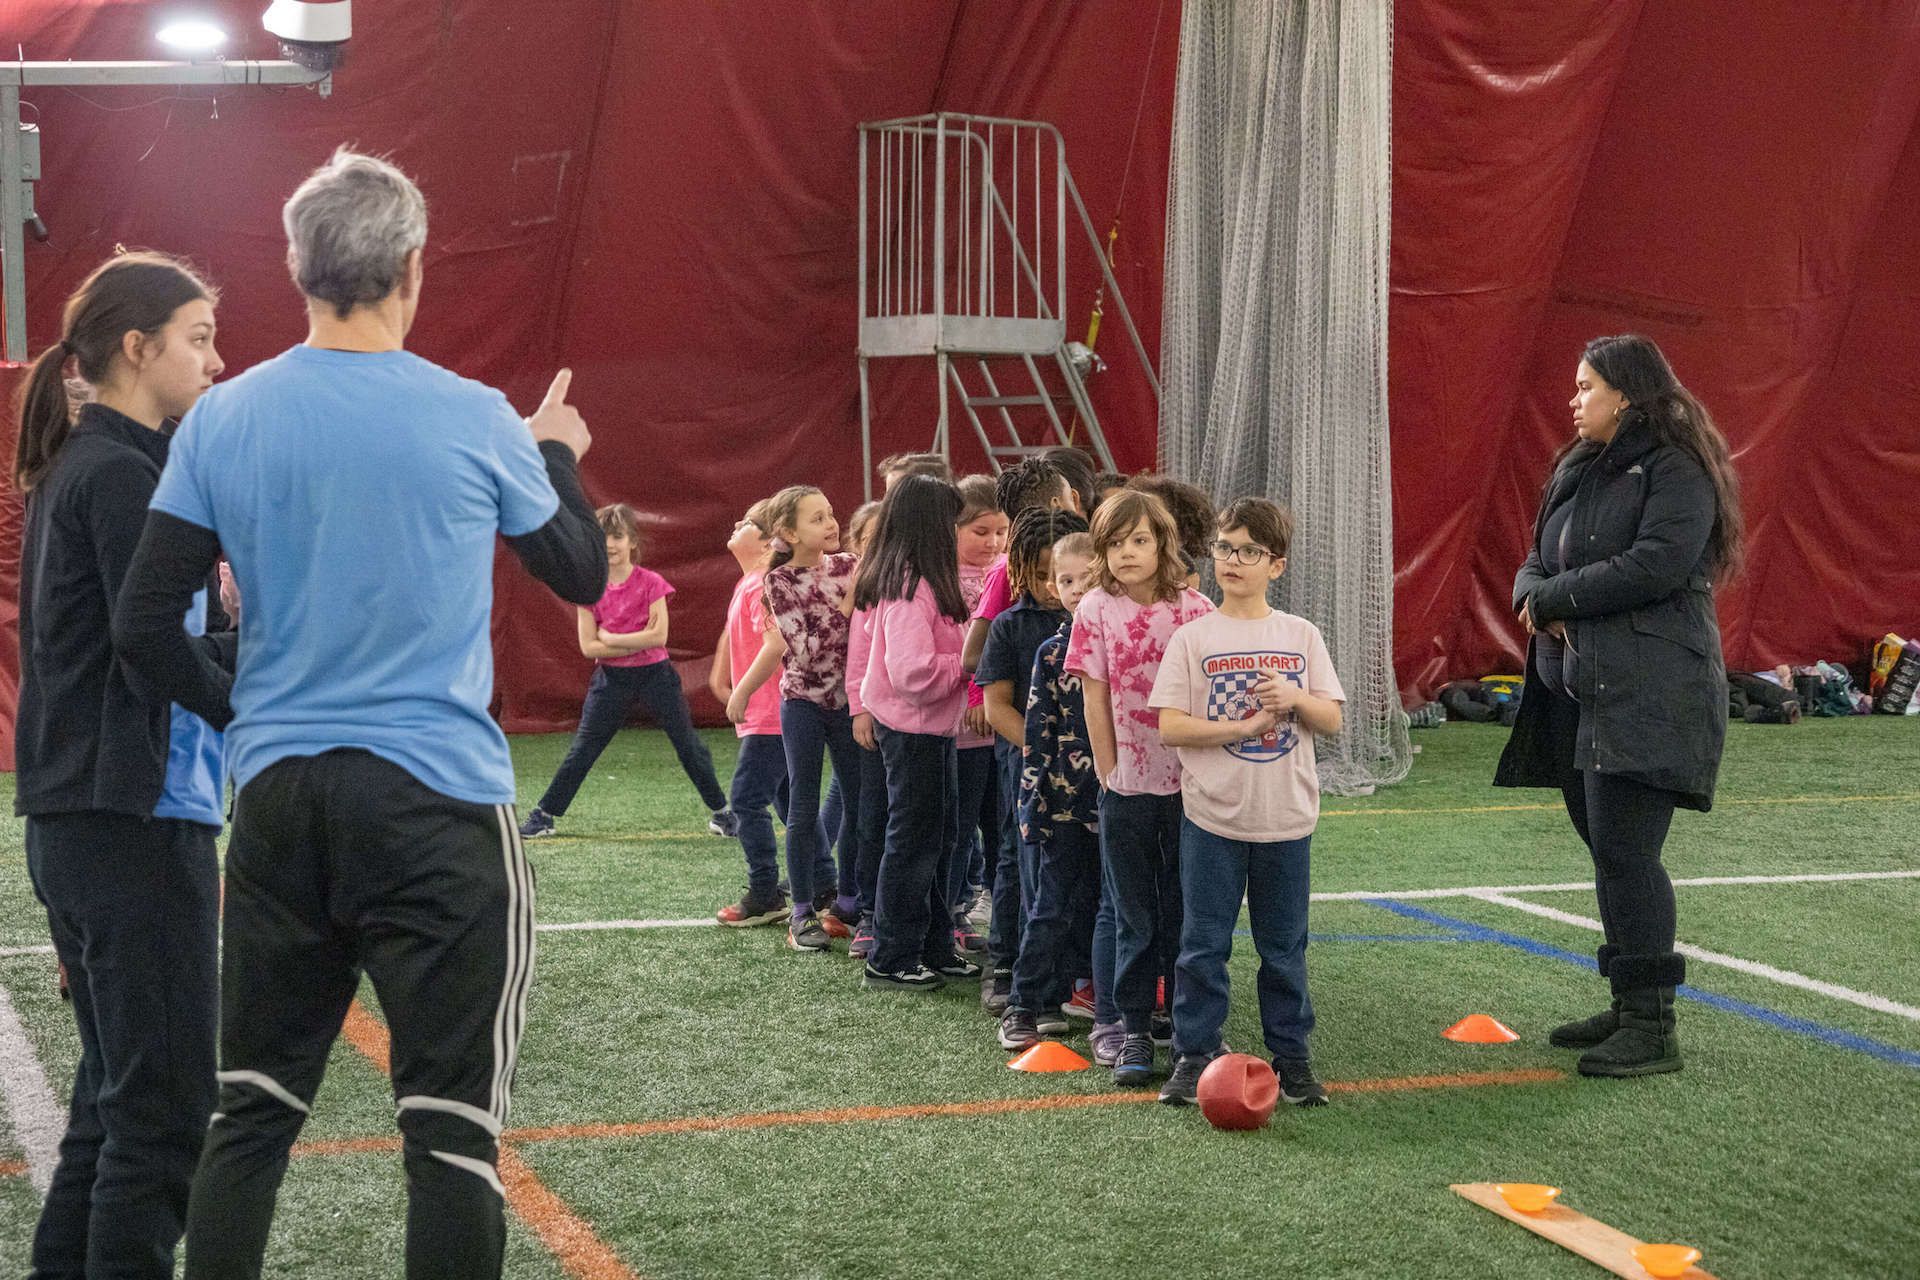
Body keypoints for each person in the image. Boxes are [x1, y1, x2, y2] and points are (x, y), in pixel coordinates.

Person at [111, 148, 606, 1279]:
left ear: (298, 267)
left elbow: (144, 625)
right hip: (437, 806)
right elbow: (580, 570)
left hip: (283, 802)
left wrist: (260, 712)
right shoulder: (477, 418)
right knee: (450, 1135)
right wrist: (557, 453)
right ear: (413, 270)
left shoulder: (225, 418)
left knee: (252, 1116)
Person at [13, 250, 231, 1277]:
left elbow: (138, 642)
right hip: (129, 825)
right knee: (161, 1117)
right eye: (197, 337)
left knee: (114, 1109)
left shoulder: (91, 470)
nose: (215, 359)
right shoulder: (120, 474)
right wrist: (265, 699)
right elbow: (150, 645)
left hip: (83, 821)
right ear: (137, 348)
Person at [1496, 333, 1742, 1079]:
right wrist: (1533, 597)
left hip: (1649, 694)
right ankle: (1629, 997)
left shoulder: (1677, 469)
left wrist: (1549, 600)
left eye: (1585, 388)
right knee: (1610, 855)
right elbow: (1536, 557)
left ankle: (1651, 1026)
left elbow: (1655, 566)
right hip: (1580, 697)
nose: (1574, 401)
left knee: (1630, 857)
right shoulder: (1578, 466)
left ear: (1627, 395)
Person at [1150, 499, 1344, 1107]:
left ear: (1276, 565)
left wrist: (1292, 696)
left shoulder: (1300, 635)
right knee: (1203, 945)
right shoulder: (1193, 637)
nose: (1234, 560)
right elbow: (1171, 727)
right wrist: (1238, 729)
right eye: (1226, 548)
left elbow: (1332, 719)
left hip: (1285, 819)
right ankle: (1193, 1053)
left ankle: (1292, 1058)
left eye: (1251, 551)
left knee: (1283, 949)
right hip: (1212, 818)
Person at [1066, 489, 1214, 1086]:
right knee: (1134, 914)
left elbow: (1210, 693)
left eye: (1139, 540)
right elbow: (1093, 692)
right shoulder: (1095, 610)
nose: (1127, 553)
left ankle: (1186, 1031)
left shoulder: (1196, 609)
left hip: (1192, 788)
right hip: (1126, 787)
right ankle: (1132, 1029)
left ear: (1162, 545)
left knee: (1185, 912)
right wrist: (1110, 768)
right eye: (1115, 542)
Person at [519, 503, 733, 840]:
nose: (610, 544)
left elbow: (659, 637)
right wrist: (639, 639)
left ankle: (722, 813)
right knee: (584, 748)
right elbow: (589, 647)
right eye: (603, 536)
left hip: (656, 676)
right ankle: (544, 815)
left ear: (632, 541)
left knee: (688, 745)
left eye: (617, 536)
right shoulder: (589, 589)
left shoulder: (652, 583)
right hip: (611, 680)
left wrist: (613, 637)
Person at [852, 475, 980, 990]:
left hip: (931, 730)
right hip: (912, 731)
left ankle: (931, 943)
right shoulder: (909, 587)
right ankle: (891, 955)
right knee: (914, 842)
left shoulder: (917, 579)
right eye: (952, 523)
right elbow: (912, 674)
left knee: (942, 837)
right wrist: (967, 663)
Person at [727, 485, 863, 952]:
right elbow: (804, 650)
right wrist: (848, 608)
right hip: (803, 705)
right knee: (802, 808)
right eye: (816, 519)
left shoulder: (848, 565)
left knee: (859, 803)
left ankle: (847, 903)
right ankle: (801, 911)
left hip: (848, 705)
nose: (830, 524)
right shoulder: (778, 582)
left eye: (830, 515)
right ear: (787, 531)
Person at [978, 509, 1090, 1049]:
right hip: (1045, 786)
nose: (1059, 587)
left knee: (1102, 901)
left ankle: (1101, 1000)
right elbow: (999, 706)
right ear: (1021, 571)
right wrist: (1043, 759)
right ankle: (1023, 994)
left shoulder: (1112, 631)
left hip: (1110, 792)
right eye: (1051, 575)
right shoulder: (1025, 633)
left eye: (1072, 576)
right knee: (1038, 891)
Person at [711, 499, 792, 926]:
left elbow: (776, 645)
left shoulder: (764, 583)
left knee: (746, 801)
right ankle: (824, 884)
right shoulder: (749, 583)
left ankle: (765, 892)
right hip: (768, 716)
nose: (736, 525)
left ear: (765, 542)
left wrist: (740, 692)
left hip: (772, 715)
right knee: (792, 806)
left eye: (745, 523)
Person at [951, 475, 1009, 951]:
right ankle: (953, 907)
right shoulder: (946, 579)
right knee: (960, 821)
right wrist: (975, 696)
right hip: (967, 726)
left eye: (999, 532)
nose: (992, 542)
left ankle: (996, 901)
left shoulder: (1003, 571)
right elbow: (969, 647)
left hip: (1003, 725)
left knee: (999, 822)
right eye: (980, 532)